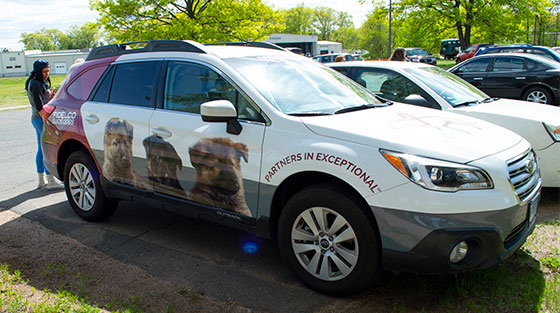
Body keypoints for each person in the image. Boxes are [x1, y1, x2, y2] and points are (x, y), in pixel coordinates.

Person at [25, 59, 62, 189]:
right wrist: (46, 120)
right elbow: (39, 105)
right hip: (40, 118)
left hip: (37, 118)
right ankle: (50, 180)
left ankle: (42, 181)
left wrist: (51, 97)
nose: (47, 74)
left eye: (48, 71)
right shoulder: (35, 83)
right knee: (46, 148)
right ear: (38, 71)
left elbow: (42, 101)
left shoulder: (36, 82)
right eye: (45, 71)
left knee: (41, 148)